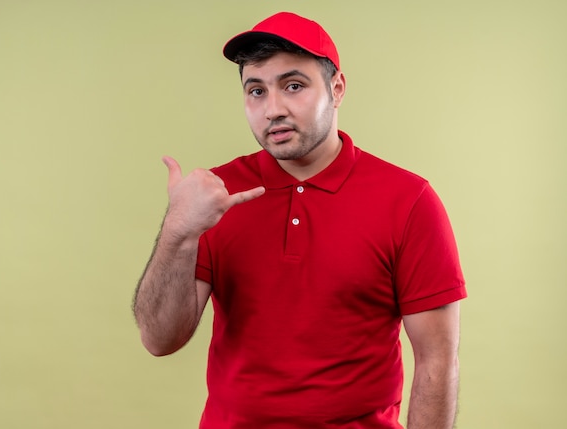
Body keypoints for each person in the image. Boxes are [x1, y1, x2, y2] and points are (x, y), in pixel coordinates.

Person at [133, 11, 467, 429]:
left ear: (337, 88)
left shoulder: (409, 200)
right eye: (256, 91)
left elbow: (436, 360)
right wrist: (178, 232)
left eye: (293, 86)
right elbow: (160, 340)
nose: (273, 109)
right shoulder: (216, 196)